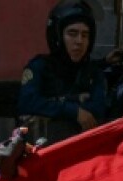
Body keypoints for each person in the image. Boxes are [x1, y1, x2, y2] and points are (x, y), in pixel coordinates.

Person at [17, 0, 108, 135]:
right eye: (72, 33)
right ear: (58, 36)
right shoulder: (40, 67)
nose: (79, 41)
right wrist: (73, 111)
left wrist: (52, 108)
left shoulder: (93, 73)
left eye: (85, 35)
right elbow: (27, 103)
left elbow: (99, 108)